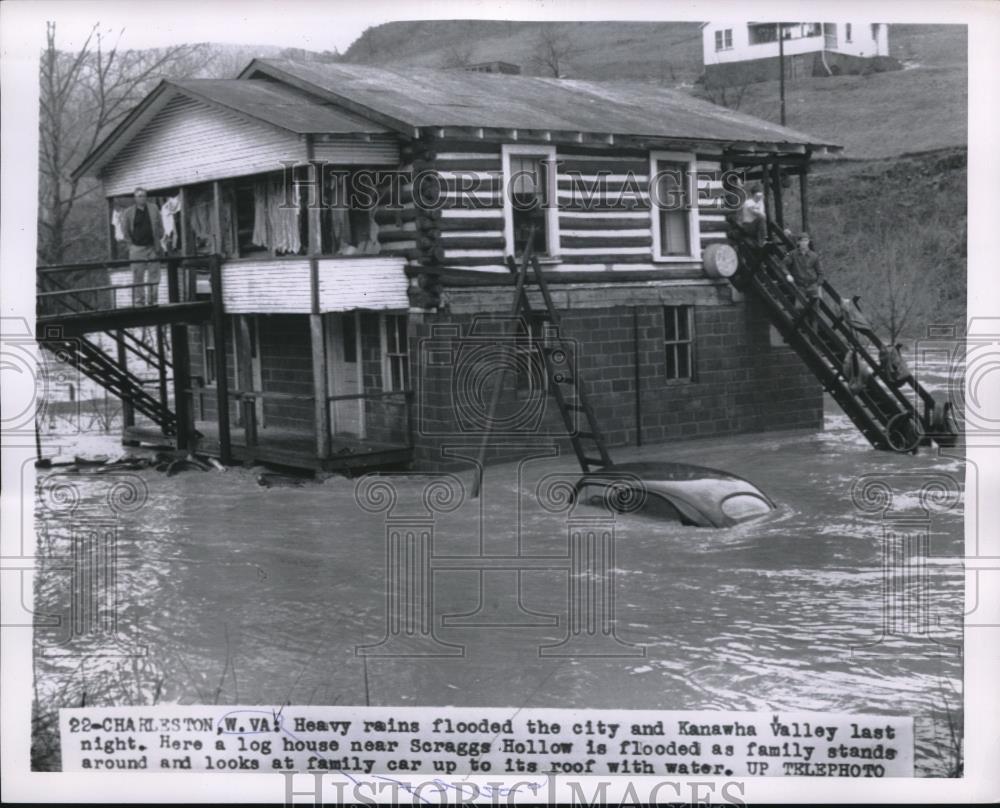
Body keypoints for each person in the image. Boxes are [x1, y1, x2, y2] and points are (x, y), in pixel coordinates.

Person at [120, 187, 163, 306]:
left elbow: (160, 225)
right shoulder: (129, 212)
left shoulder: (154, 208)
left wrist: (158, 239)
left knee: (154, 276)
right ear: (135, 198)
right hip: (137, 248)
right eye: (139, 196)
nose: (142, 198)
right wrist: (130, 246)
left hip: (152, 247)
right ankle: (139, 301)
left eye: (144, 195)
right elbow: (125, 230)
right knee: (138, 276)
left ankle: (153, 300)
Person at [783, 233, 824, 330]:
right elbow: (783, 265)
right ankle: (806, 331)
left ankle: (815, 337)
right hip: (800, 286)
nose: (804, 243)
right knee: (799, 309)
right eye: (802, 241)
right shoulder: (793, 254)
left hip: (812, 285)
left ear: (809, 242)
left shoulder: (814, 256)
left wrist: (818, 286)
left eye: (806, 241)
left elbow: (821, 273)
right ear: (798, 242)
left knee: (815, 312)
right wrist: (788, 274)